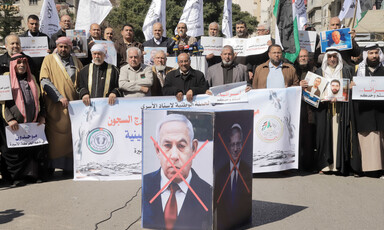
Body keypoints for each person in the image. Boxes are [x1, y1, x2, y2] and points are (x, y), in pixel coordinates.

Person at [142, 114, 212, 230]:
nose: (174, 156)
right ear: (157, 149)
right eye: (167, 145)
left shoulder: (208, 194)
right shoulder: (145, 186)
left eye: (181, 146)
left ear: (194, 148)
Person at [0, 54, 46, 187]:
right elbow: (2, 103)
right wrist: (10, 119)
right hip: (14, 125)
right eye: (19, 63)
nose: (21, 65)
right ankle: (16, 178)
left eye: (24, 63)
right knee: (16, 154)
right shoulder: (5, 81)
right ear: (14, 65)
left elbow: (41, 100)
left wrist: (42, 115)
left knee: (33, 151)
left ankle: (31, 175)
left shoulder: (33, 80)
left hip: (33, 123)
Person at [40, 37, 83, 175]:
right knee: (56, 139)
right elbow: (44, 81)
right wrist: (58, 97)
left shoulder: (77, 61)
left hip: (73, 106)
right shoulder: (49, 59)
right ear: (57, 47)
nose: (63, 49)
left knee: (71, 137)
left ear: (70, 47)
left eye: (66, 47)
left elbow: (82, 82)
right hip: (56, 106)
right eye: (61, 47)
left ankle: (69, 167)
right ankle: (52, 165)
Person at [313, 49, 354, 175]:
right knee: (324, 136)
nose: (332, 59)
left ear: (338, 58)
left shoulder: (346, 71)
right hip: (325, 111)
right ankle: (326, 166)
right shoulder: (319, 72)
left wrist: (351, 87)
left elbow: (351, 88)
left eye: (334, 56)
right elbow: (314, 93)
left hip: (341, 110)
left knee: (340, 135)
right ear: (326, 58)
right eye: (329, 56)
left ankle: (339, 165)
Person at [352, 44, 384, 177]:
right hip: (364, 113)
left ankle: (380, 170)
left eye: (376, 53)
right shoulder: (360, 71)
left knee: (380, 142)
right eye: (371, 53)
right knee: (366, 141)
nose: (374, 56)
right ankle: (365, 169)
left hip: (380, 113)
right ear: (366, 55)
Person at [215, 124, 252, 229]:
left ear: (242, 144)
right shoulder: (220, 174)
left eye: (238, 144)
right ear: (228, 146)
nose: (236, 149)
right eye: (232, 144)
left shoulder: (248, 170)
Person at [295, 48, 317, 171]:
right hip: (297, 108)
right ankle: (296, 165)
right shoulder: (293, 70)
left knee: (309, 138)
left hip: (310, 109)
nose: (303, 58)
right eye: (301, 56)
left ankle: (308, 165)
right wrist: (298, 86)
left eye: (305, 56)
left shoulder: (315, 70)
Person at [20, 14, 52, 80]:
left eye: (36, 24)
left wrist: (50, 51)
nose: (34, 26)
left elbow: (51, 50)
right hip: (27, 70)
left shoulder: (45, 37)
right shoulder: (21, 38)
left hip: (42, 69)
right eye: (32, 24)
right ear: (27, 24)